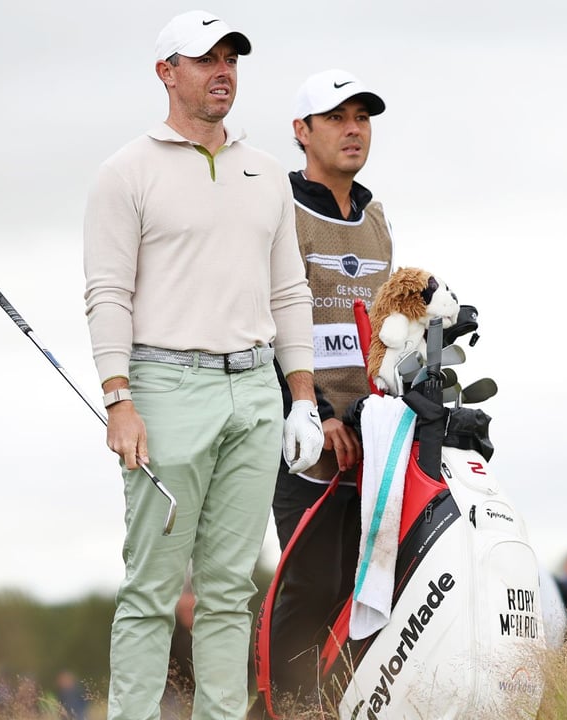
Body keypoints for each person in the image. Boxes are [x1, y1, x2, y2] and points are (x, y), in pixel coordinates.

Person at [82, 10, 322, 719]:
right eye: (206, 59)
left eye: (232, 59)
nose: (223, 71)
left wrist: (301, 397)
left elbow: (289, 290)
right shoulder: (126, 172)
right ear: (167, 73)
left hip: (254, 390)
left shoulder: (264, 172)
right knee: (153, 588)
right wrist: (118, 397)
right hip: (164, 387)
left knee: (230, 589)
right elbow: (107, 291)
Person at [266, 68, 390, 700]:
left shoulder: (376, 217)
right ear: (302, 131)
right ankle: (277, 707)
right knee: (312, 582)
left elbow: (380, 325)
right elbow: (267, 324)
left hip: (369, 430)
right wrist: (310, 411)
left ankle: (336, 706)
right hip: (303, 427)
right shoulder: (277, 211)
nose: (352, 131)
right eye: (337, 118)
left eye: (362, 118)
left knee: (360, 589)